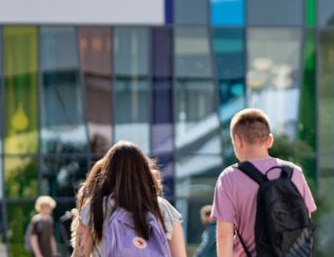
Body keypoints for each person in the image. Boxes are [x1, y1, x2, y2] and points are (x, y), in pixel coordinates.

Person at [213, 109, 318, 257]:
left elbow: (224, 237)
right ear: (270, 140)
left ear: (237, 140)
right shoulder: (294, 173)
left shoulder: (229, 178)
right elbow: (304, 221)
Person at [71, 141, 188, 257]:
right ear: (144, 172)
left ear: (108, 172)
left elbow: (80, 254)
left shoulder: (95, 208)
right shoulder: (163, 209)